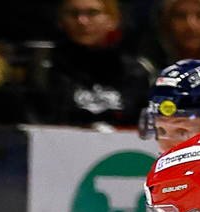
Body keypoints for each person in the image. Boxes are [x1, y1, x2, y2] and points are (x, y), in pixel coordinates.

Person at [39, 0, 157, 129]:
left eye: (92, 13)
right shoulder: (44, 67)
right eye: (73, 14)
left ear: (113, 20)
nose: (82, 21)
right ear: (60, 21)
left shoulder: (137, 71)